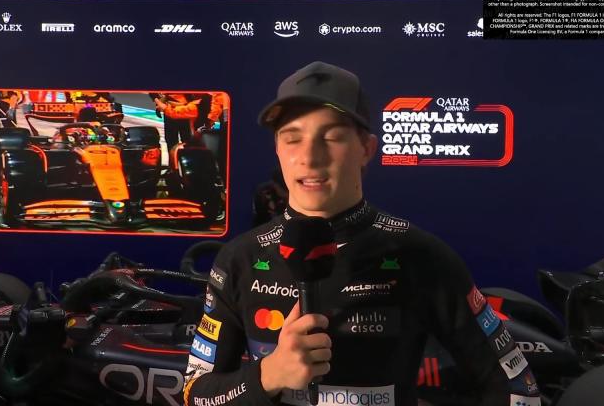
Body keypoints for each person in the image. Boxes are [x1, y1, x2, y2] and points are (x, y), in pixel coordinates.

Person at [182, 61, 541, 406]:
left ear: (367, 149)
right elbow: (195, 394)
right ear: (277, 149)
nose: (309, 157)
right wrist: (269, 375)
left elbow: (517, 387)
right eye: (292, 139)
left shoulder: (419, 255)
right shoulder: (240, 259)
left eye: (332, 137)